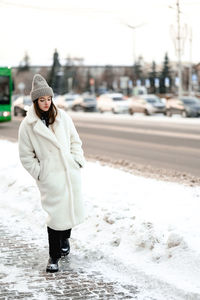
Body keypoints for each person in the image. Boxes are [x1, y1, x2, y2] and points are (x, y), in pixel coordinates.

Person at [18, 74, 85, 273]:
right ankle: (53, 256)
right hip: (50, 177)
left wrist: (77, 160)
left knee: (68, 209)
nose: (46, 103)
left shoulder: (63, 117)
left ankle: (65, 239)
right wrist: (41, 173)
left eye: (48, 99)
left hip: (68, 173)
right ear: (35, 101)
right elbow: (26, 155)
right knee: (55, 216)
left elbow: (75, 141)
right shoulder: (28, 126)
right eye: (42, 100)